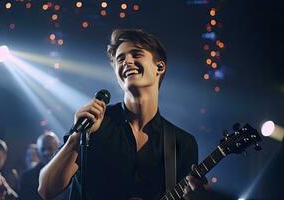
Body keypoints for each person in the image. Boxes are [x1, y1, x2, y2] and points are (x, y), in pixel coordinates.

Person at [38, 29, 210, 200]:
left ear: (159, 67)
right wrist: (76, 138)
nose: (126, 61)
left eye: (136, 54)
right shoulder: (95, 122)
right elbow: (46, 189)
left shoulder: (182, 143)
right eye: (120, 59)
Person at [19, 131, 65, 200]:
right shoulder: (27, 177)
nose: (46, 153)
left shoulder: (67, 172)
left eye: (50, 148)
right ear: (38, 151)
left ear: (58, 148)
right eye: (43, 149)